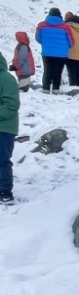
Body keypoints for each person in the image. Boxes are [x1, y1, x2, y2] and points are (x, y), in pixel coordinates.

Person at [34, 7, 74, 93]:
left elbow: (38, 38)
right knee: (58, 71)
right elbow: (71, 42)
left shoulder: (41, 25)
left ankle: (46, 88)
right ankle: (56, 89)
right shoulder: (65, 27)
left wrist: (46, 44)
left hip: (47, 52)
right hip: (61, 54)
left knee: (47, 70)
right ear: (60, 15)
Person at [0, 63, 18, 205]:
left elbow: (12, 105)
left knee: (2, 160)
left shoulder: (6, 78)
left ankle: (5, 192)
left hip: (4, 128)